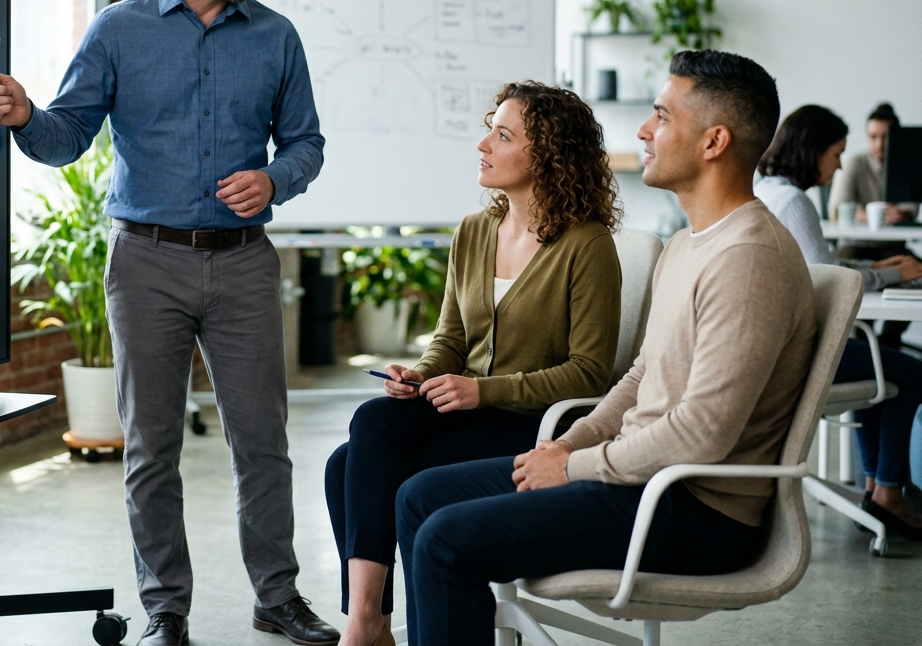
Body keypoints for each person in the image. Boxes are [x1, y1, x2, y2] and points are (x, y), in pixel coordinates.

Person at [0, 0, 338, 646]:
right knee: (151, 447)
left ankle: (278, 597)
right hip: (147, 262)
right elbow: (65, 136)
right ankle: (164, 610)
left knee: (263, 444)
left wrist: (275, 176)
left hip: (242, 263)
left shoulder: (276, 37)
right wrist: (26, 112)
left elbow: (307, 142)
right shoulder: (118, 29)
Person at [394, 49, 817, 646]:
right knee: (419, 496)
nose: (644, 130)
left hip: (693, 508)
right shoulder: (688, 244)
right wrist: (569, 442)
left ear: (713, 141)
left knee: (445, 540)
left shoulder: (747, 258)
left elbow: (703, 433)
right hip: (637, 478)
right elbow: (643, 375)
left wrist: (570, 466)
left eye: (662, 116)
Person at [326, 82, 623, 646]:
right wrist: (420, 374)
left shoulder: (587, 246)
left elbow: (590, 372)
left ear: (548, 155)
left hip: (531, 424)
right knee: (369, 425)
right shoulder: (474, 230)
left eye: (503, 135)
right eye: (491, 127)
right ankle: (368, 624)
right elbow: (450, 339)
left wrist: (482, 392)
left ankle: (368, 629)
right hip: (465, 412)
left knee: (348, 467)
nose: (483, 143)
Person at [755, 105, 922, 538]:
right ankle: (888, 491)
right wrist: (893, 273)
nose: (840, 163)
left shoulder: (770, 190)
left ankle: (876, 485)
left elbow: (820, 264)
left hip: (778, 343)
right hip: (800, 349)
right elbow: (828, 281)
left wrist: (878, 264)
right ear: (811, 151)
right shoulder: (792, 201)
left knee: (882, 370)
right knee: (912, 373)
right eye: (836, 153)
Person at [827, 102, 919, 347]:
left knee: (917, 271)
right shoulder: (854, 162)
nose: (879, 144)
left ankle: (889, 338)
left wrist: (900, 213)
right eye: (873, 137)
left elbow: (912, 207)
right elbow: (837, 208)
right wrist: (872, 214)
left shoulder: (906, 163)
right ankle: (860, 337)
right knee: (844, 271)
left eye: (885, 137)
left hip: (892, 247)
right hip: (855, 245)